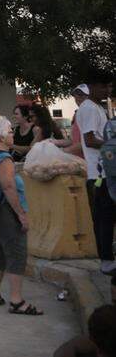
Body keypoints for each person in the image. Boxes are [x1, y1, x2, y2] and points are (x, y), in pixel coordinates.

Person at [0, 115, 42, 316]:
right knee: (16, 253)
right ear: (0, 137)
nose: (12, 134)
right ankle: (17, 300)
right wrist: (21, 214)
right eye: (8, 131)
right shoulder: (3, 158)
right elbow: (8, 187)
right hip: (5, 210)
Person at [77, 80, 114, 276]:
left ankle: (106, 258)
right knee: (104, 219)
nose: (107, 90)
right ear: (91, 87)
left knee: (104, 218)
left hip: (103, 172)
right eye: (103, 86)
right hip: (99, 174)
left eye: (109, 87)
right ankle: (106, 260)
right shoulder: (89, 108)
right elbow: (90, 140)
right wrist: (112, 146)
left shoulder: (96, 107)